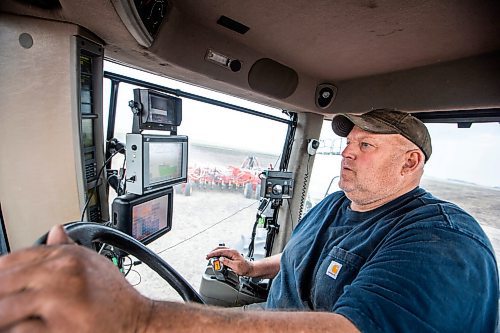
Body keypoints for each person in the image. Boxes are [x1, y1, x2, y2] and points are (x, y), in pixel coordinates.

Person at [0, 109, 497, 332]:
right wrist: (252, 269)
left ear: (409, 163)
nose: (347, 155)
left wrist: (138, 320)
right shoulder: (338, 204)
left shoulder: (442, 242)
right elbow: (304, 257)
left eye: (366, 146)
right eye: (347, 144)